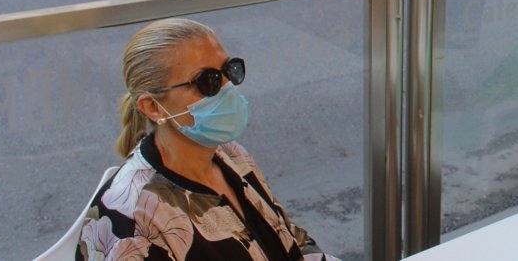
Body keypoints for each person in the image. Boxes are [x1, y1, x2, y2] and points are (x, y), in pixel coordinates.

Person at [78, 18, 339, 260]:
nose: (227, 87)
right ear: (154, 107)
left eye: (228, 70)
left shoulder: (231, 154)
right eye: (208, 80)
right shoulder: (133, 224)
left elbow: (287, 237)